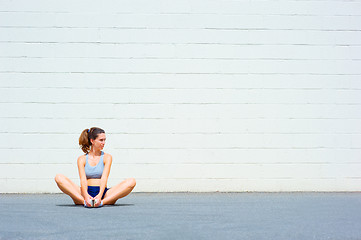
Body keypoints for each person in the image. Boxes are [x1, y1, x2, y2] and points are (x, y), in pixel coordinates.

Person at [55, 127, 136, 207]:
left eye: (104, 140)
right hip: (84, 193)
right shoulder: (82, 159)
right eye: (101, 140)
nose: (103, 143)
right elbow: (83, 179)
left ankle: (101, 203)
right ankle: (84, 202)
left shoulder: (107, 157)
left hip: (103, 194)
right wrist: (86, 196)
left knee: (131, 181)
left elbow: (104, 178)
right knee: (58, 177)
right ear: (92, 141)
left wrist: (100, 196)